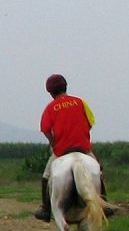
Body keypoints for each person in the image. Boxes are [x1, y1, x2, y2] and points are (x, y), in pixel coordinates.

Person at [34, 74, 112, 222]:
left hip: (62, 150)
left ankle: (45, 209)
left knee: (46, 176)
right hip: (83, 148)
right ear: (66, 86)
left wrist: (53, 142)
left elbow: (45, 129)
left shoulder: (50, 108)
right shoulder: (80, 102)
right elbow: (91, 121)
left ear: (50, 92)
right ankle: (104, 206)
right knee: (98, 171)